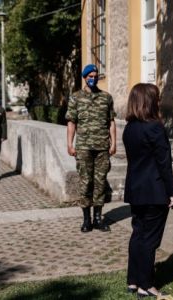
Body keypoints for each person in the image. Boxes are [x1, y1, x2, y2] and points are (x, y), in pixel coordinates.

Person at [122, 83, 173, 298]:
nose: (159, 101)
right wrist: (171, 191)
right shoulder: (155, 127)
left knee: (138, 234)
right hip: (154, 191)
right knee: (150, 240)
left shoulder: (130, 128)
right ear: (149, 102)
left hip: (136, 190)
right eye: (157, 98)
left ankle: (133, 280)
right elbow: (164, 162)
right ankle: (146, 284)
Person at [66, 64, 116, 233]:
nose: (93, 78)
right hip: (84, 147)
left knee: (100, 183)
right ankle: (86, 219)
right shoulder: (75, 98)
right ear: (85, 77)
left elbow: (111, 122)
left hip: (102, 147)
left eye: (95, 75)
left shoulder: (106, 98)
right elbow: (71, 122)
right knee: (85, 182)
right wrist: (69, 144)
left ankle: (98, 219)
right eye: (90, 75)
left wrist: (114, 143)